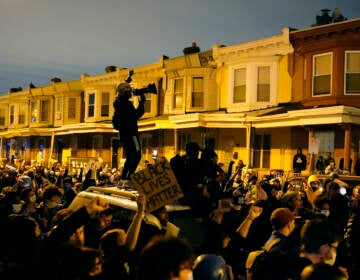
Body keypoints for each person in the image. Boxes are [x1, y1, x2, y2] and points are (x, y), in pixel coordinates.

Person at [112, 82, 146, 187]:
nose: (131, 93)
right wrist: (141, 104)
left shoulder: (119, 104)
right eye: (129, 91)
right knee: (137, 155)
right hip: (131, 134)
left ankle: (123, 178)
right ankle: (129, 178)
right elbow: (135, 115)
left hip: (124, 135)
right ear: (125, 92)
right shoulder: (126, 105)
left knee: (130, 156)